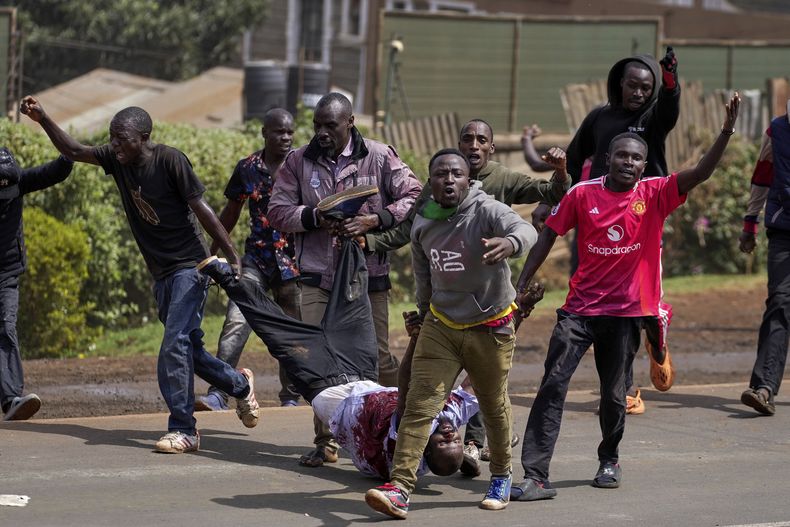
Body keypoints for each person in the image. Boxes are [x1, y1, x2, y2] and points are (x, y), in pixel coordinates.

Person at [510, 94, 740, 501]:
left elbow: (701, 172)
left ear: (642, 164)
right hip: (579, 310)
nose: (629, 164)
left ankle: (609, 458)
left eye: (636, 159)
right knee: (552, 386)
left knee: (615, 395)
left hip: (625, 313)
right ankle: (536, 475)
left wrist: (726, 130)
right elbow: (548, 233)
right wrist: (522, 281)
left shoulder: (655, 194)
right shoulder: (582, 193)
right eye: (622, 157)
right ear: (609, 158)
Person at [20, 96, 260, 454]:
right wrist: (42, 118)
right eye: (112, 137)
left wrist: (229, 255)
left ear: (143, 137)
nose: (114, 144)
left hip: (189, 268)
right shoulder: (117, 160)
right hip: (161, 273)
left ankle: (184, 429)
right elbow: (73, 149)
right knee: (189, 349)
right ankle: (239, 386)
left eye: (122, 138)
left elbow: (202, 208)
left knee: (173, 344)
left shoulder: (170, 160)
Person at [364, 119, 569, 473]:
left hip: (491, 310)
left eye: (481, 140)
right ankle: (401, 484)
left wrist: (511, 241)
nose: (473, 145)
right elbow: (415, 242)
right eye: (466, 139)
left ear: (489, 149)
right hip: (445, 316)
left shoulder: (497, 191)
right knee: (421, 399)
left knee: (489, 397)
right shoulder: (432, 201)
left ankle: (488, 458)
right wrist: (370, 243)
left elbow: (539, 208)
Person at [200, 245, 482, 480]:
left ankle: (225, 276)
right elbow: (477, 382)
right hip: (362, 373)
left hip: (323, 385)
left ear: (425, 450)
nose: (449, 434)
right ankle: (348, 233)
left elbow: (406, 389)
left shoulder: (403, 447)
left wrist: (415, 339)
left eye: (445, 442)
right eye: (455, 439)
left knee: (275, 329)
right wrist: (502, 321)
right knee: (356, 300)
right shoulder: (449, 418)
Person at [364, 148, 538, 519]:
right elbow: (424, 276)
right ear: (430, 182)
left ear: (468, 180)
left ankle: (502, 475)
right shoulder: (423, 222)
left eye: (456, 174)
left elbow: (526, 229)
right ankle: (400, 488)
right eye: (441, 174)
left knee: (492, 405)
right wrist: (424, 315)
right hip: (441, 326)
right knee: (418, 406)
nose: (448, 180)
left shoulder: (486, 210)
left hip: (489, 327)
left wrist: (510, 243)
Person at [268, 92, 422, 467]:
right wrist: (314, 217)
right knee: (319, 361)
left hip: (368, 276)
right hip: (317, 276)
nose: (321, 132)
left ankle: (403, 432)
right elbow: (276, 211)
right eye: (317, 125)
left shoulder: (380, 155)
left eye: (330, 126)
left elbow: (415, 195)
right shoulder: (297, 161)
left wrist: (375, 219)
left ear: (349, 122)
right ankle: (327, 442)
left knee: (379, 358)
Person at [533, 47, 682, 414]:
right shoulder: (599, 117)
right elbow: (573, 155)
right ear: (619, 84)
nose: (639, 94)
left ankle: (656, 338)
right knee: (607, 308)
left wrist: (670, 80)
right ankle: (626, 388)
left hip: (641, 218)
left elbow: (669, 109)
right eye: (633, 86)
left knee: (640, 307)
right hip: (598, 220)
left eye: (646, 88)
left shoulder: (652, 117)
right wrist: (548, 199)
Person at [194, 108, 301, 412]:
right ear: (265, 133)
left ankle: (291, 397)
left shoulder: (301, 166)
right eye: (279, 132)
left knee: (291, 332)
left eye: (290, 132)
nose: (286, 137)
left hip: (293, 265)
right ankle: (219, 392)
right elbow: (230, 213)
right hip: (255, 260)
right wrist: (211, 252)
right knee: (235, 323)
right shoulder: (248, 169)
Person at [1, 148, 73, 421]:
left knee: (5, 327)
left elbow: (58, 170)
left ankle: (11, 401)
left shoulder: (20, 181)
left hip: (6, 272)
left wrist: (67, 149)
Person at [738, 99, 790, 416]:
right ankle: (764, 388)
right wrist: (750, 223)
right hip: (784, 228)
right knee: (780, 302)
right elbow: (762, 175)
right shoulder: (777, 129)